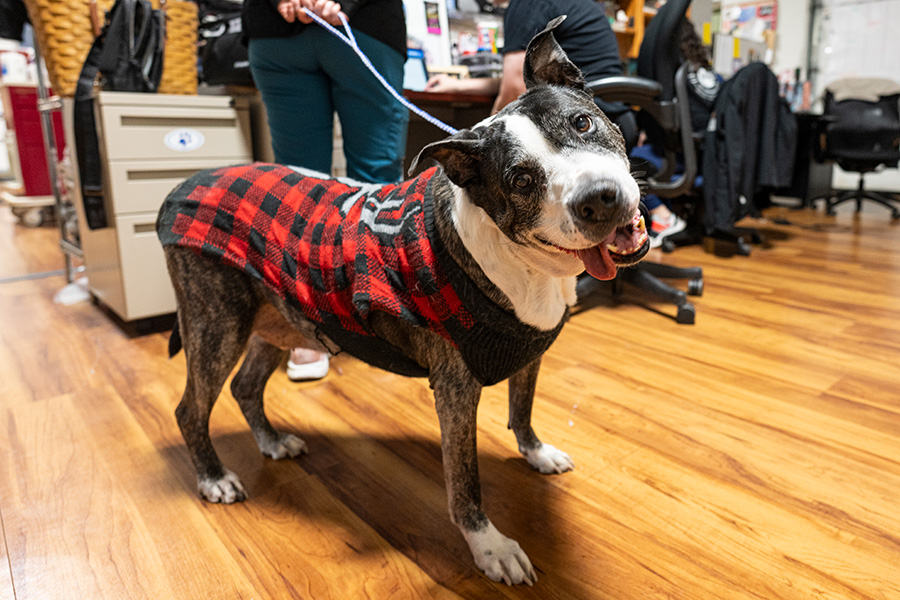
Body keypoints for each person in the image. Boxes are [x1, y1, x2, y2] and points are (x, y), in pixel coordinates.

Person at [242, 0, 408, 380]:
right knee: (376, 189)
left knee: (300, 191)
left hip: (277, 30)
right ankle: (381, 322)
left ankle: (305, 333)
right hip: (363, 26)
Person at [425, 0, 636, 146]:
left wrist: (482, 143)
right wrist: (458, 86)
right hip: (609, 119)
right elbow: (517, 80)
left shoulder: (525, 4)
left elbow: (514, 88)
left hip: (582, 125)